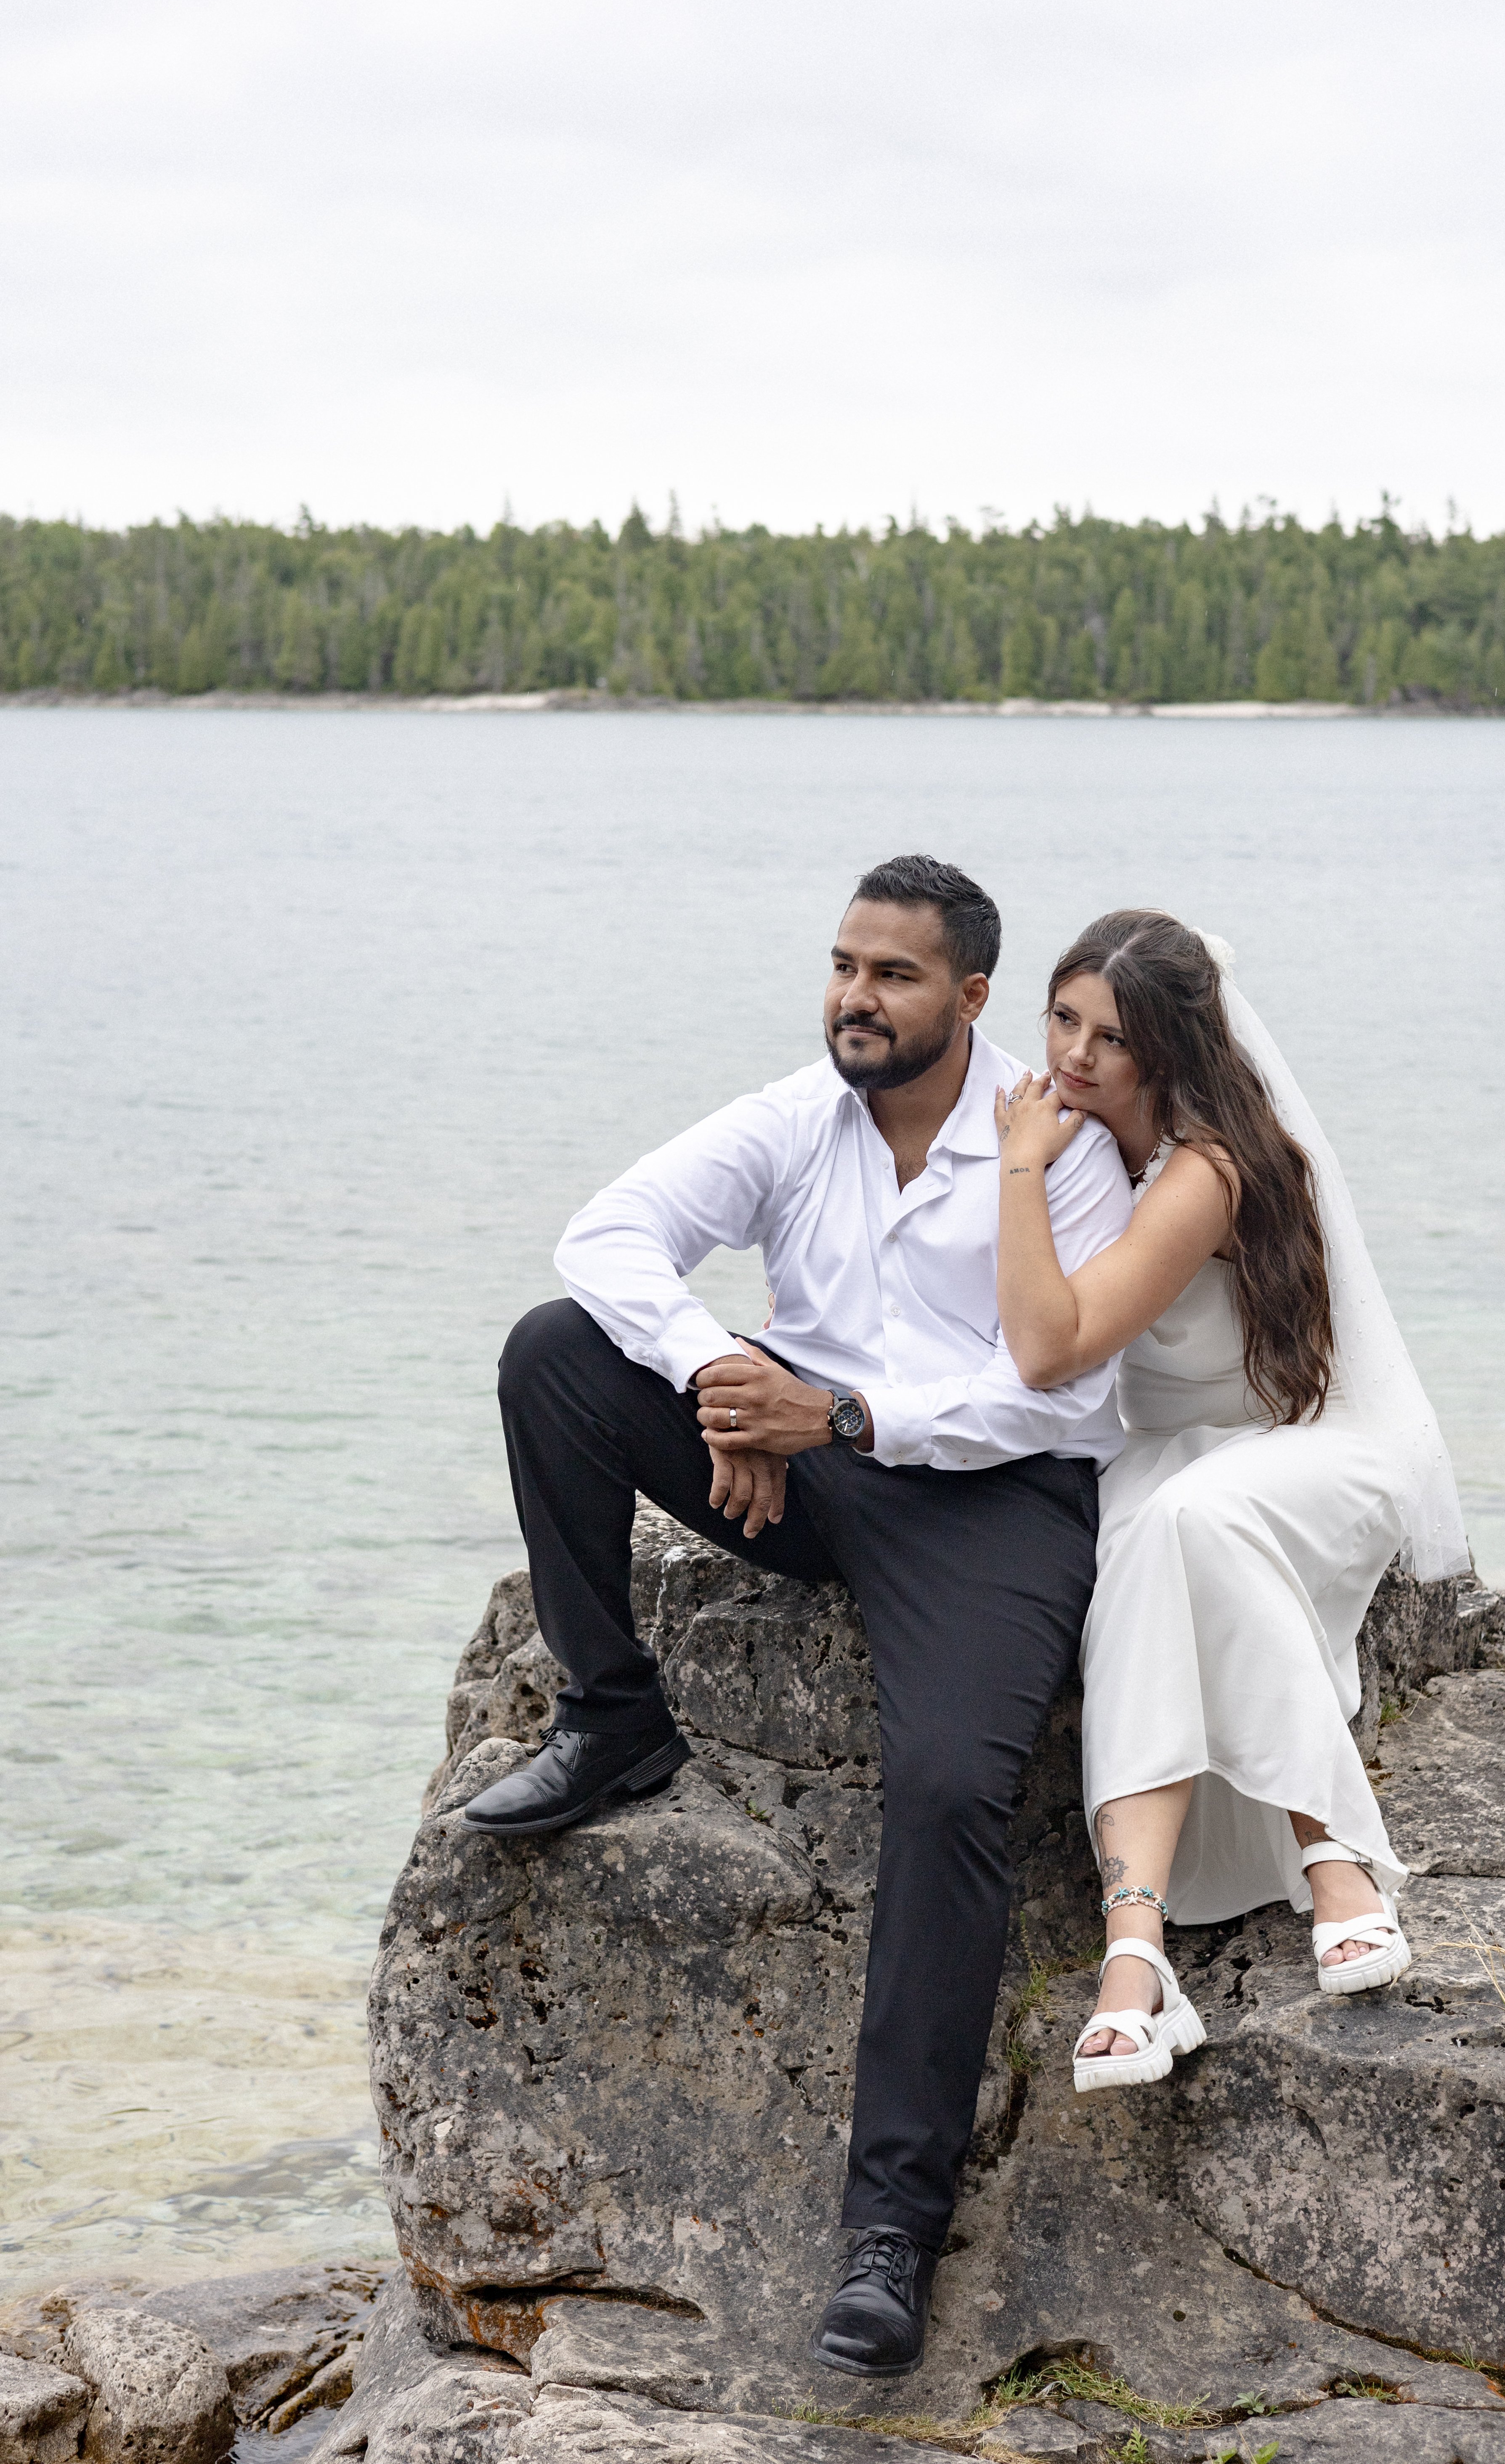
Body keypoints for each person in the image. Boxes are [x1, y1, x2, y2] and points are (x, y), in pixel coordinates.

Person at [467, 855, 1133, 2375]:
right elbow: (607, 1237)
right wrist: (727, 1385)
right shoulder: (796, 1113)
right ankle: (615, 1718)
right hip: (798, 1457)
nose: (854, 998)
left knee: (951, 1788)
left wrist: (829, 1413)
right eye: (843, 964)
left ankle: (890, 2230)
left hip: (989, 1499)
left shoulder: (1059, 1142)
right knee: (556, 1353)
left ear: (968, 998)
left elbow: (1057, 1388)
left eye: (893, 976)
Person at [992, 910, 1467, 2091]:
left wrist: (1013, 1168)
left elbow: (1050, 1349)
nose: (1076, 1056)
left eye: (1114, 1036)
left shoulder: (1202, 1167)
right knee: (1155, 1529)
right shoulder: (1077, 1136)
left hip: (1306, 1449)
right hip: (1160, 1462)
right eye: (1063, 1019)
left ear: (1171, 1048)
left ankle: (1333, 1864)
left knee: (1188, 1522)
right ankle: (1139, 1950)